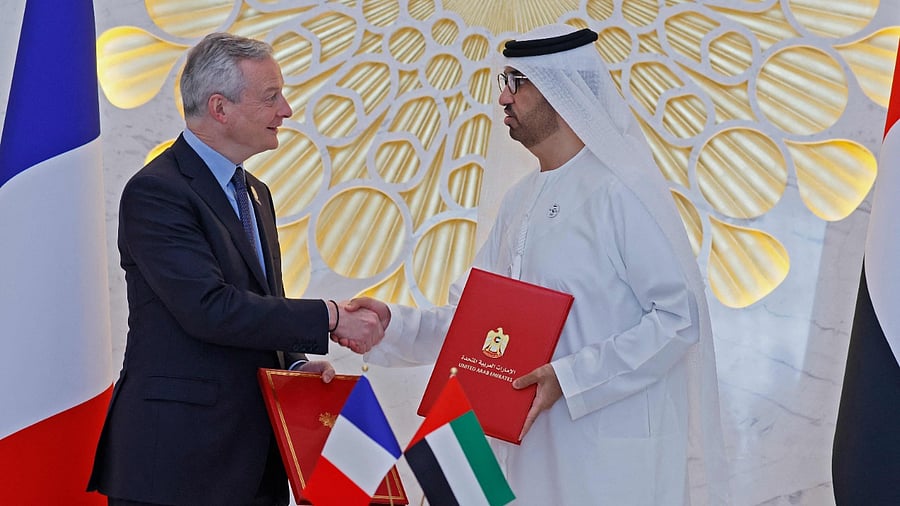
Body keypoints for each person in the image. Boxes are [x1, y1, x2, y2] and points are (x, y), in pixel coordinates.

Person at [353, 25, 730, 505]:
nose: (503, 98)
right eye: (502, 82)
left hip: (602, 460)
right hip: (522, 457)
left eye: (517, 81)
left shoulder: (620, 192)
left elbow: (680, 318)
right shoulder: (519, 200)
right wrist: (391, 326)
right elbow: (476, 321)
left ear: (562, 87)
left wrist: (571, 378)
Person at [87, 33, 385, 506]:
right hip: (177, 467)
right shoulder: (157, 191)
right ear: (219, 108)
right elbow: (209, 309)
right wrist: (329, 315)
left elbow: (260, 306)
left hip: (252, 464)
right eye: (271, 97)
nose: (286, 110)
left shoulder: (257, 194)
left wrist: (295, 364)